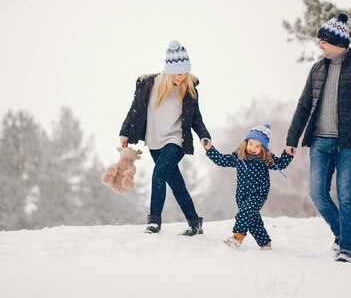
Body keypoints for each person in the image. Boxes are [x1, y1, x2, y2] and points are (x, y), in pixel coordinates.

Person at [285, 13, 351, 263]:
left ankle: (347, 249)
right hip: (320, 142)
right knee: (318, 194)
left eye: (323, 42)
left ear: (337, 42)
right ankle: (341, 233)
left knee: (346, 195)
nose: (320, 46)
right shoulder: (317, 69)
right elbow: (304, 105)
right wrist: (291, 139)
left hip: (349, 144)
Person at [119, 40, 211, 236]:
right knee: (176, 183)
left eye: (185, 72)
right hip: (154, 142)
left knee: (158, 174)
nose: (183, 77)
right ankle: (195, 223)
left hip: (176, 140)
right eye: (179, 73)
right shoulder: (148, 86)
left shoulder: (189, 89)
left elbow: (196, 118)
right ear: (169, 71)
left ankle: (154, 222)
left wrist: (204, 136)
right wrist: (124, 132)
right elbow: (134, 110)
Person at [202, 124, 293, 250]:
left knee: (245, 213)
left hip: (258, 194)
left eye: (257, 146)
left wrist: (288, 154)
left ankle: (237, 238)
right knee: (253, 221)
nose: (253, 148)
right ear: (246, 143)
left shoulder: (265, 159)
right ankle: (265, 243)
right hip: (241, 195)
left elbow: (281, 164)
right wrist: (209, 149)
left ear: (263, 148)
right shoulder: (239, 157)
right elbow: (221, 160)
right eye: (250, 144)